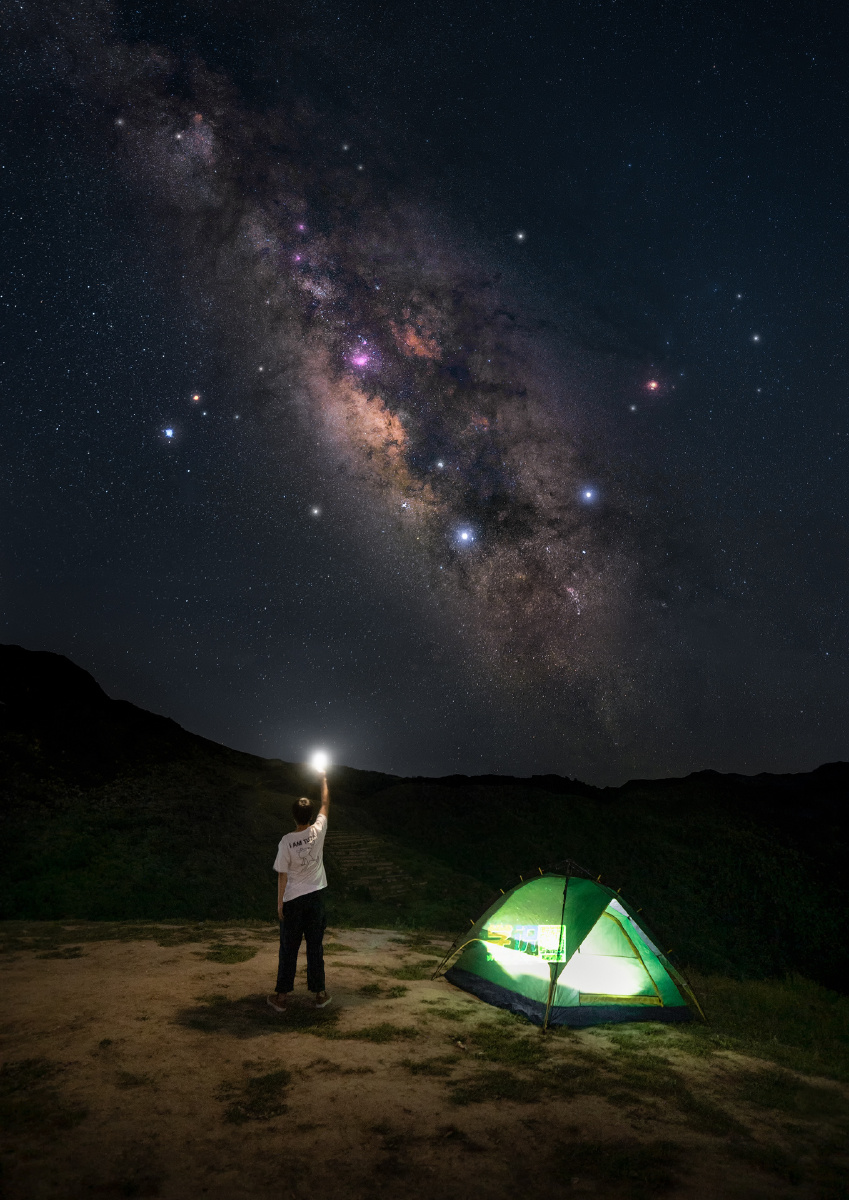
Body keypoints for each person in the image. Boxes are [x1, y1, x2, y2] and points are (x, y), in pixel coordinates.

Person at [267, 770, 331, 1012]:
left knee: (288, 949)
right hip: (316, 899)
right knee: (315, 946)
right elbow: (326, 802)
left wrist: (280, 903)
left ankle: (282, 998)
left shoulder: (286, 841)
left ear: (294, 816)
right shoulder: (318, 830)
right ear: (310, 815)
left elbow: (282, 874)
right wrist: (324, 779)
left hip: (293, 901)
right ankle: (320, 994)